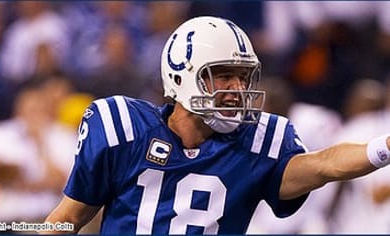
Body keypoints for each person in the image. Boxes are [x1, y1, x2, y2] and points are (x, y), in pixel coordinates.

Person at [43, 16, 390, 234]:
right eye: (224, 76)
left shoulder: (258, 143)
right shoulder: (124, 129)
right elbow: (69, 218)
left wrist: (384, 147)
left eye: (243, 78)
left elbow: (324, 164)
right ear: (182, 74)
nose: (237, 90)